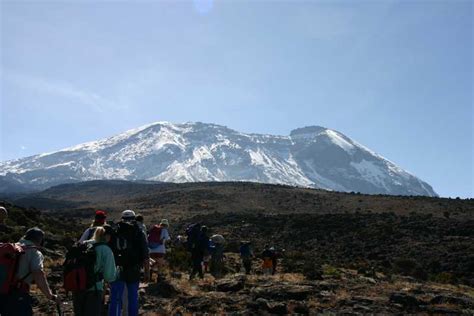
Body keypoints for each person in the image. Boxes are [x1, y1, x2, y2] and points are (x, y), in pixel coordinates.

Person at [0, 227, 60, 316]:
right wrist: (50, 295)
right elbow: (38, 274)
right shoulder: (34, 252)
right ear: (40, 240)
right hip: (17, 294)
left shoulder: (11, 247)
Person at [108, 210, 150, 316]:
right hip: (134, 269)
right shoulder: (139, 231)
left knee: (115, 298)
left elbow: (110, 251)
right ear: (134, 218)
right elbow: (145, 254)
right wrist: (146, 272)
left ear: (122, 218)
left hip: (117, 268)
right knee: (133, 297)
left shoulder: (115, 231)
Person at [72, 226, 117, 316]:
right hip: (94, 288)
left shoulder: (83, 244)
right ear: (107, 236)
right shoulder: (106, 250)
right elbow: (109, 276)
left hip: (77, 286)